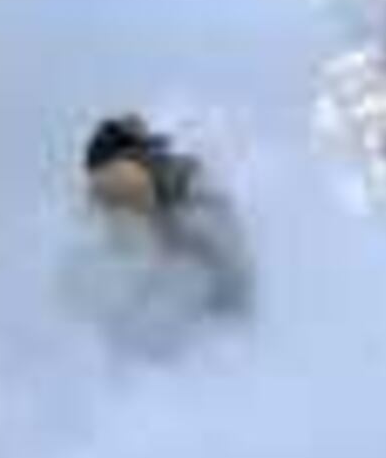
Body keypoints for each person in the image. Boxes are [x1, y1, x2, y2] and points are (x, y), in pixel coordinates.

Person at [76, 113, 253, 354]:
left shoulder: (122, 173)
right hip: (209, 255)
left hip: (192, 253)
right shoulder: (170, 166)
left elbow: (139, 232)